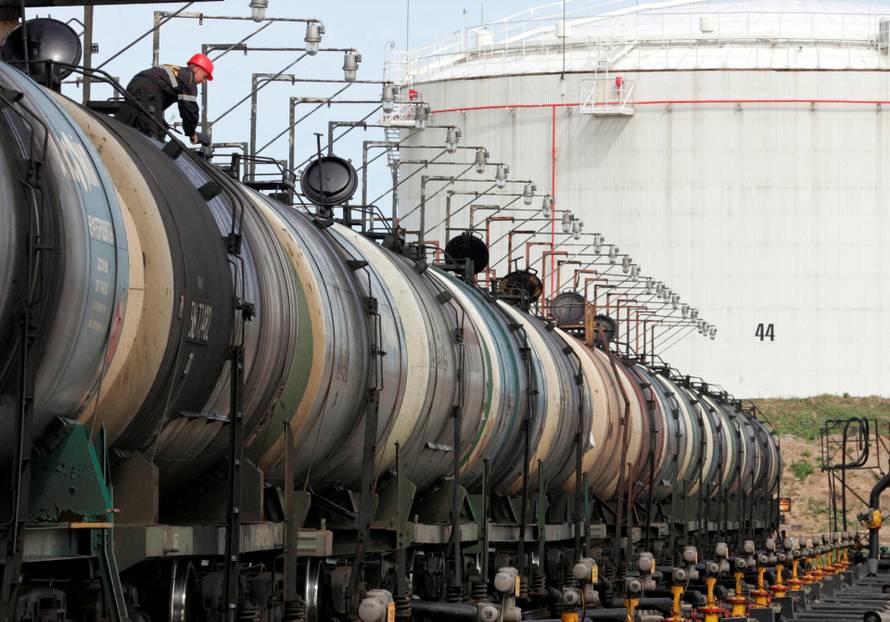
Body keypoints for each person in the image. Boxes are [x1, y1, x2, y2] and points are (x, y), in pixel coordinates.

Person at [118, 53, 214, 143]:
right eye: (205, 76)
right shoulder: (188, 80)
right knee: (153, 139)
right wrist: (192, 134)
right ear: (197, 69)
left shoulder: (176, 71)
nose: (204, 81)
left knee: (152, 124)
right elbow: (189, 111)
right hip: (148, 92)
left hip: (133, 86)